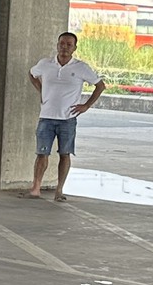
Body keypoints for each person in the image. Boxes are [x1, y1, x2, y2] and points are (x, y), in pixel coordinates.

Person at [27, 31, 106, 201]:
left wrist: (86, 105)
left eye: (69, 45)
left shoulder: (81, 68)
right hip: (46, 117)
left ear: (74, 48)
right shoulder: (45, 64)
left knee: (65, 154)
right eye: (62, 43)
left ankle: (59, 190)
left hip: (68, 119)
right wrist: (41, 90)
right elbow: (32, 74)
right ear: (57, 45)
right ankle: (36, 187)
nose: (65, 47)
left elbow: (100, 86)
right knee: (42, 153)